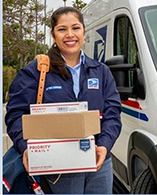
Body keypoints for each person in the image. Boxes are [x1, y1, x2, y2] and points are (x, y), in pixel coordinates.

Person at [5, 7, 121, 194]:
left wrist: (104, 146)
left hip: (97, 163)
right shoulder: (35, 72)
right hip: (57, 166)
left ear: (84, 31)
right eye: (62, 29)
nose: (70, 35)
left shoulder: (101, 71)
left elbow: (112, 114)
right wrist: (26, 147)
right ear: (53, 35)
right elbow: (16, 115)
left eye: (75, 28)